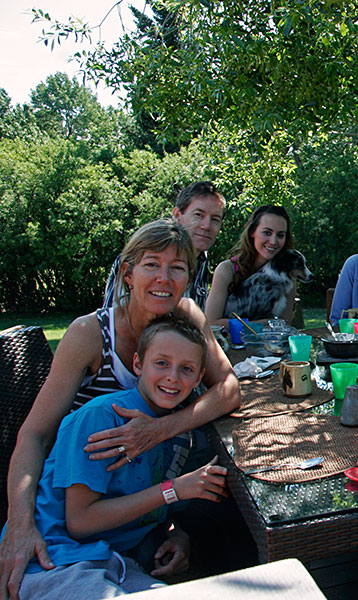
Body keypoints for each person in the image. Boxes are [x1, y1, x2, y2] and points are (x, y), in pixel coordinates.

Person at [0, 220, 240, 600]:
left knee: (230, 516)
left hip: (132, 512)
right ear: (128, 273)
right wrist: (18, 523)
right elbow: (35, 434)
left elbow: (228, 389)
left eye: (177, 267)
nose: (164, 277)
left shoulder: (187, 317)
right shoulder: (89, 335)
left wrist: (160, 431)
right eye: (151, 264)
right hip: (76, 506)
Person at [103, 182, 226, 310]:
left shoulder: (202, 261)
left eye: (215, 219)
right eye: (198, 215)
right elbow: (113, 321)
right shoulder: (136, 258)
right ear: (178, 215)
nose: (206, 226)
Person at [205, 204, 296, 327]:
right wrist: (260, 324)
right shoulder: (227, 270)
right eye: (267, 233)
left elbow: (286, 324)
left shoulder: (288, 277)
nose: (273, 241)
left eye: (280, 235)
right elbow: (211, 322)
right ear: (252, 232)